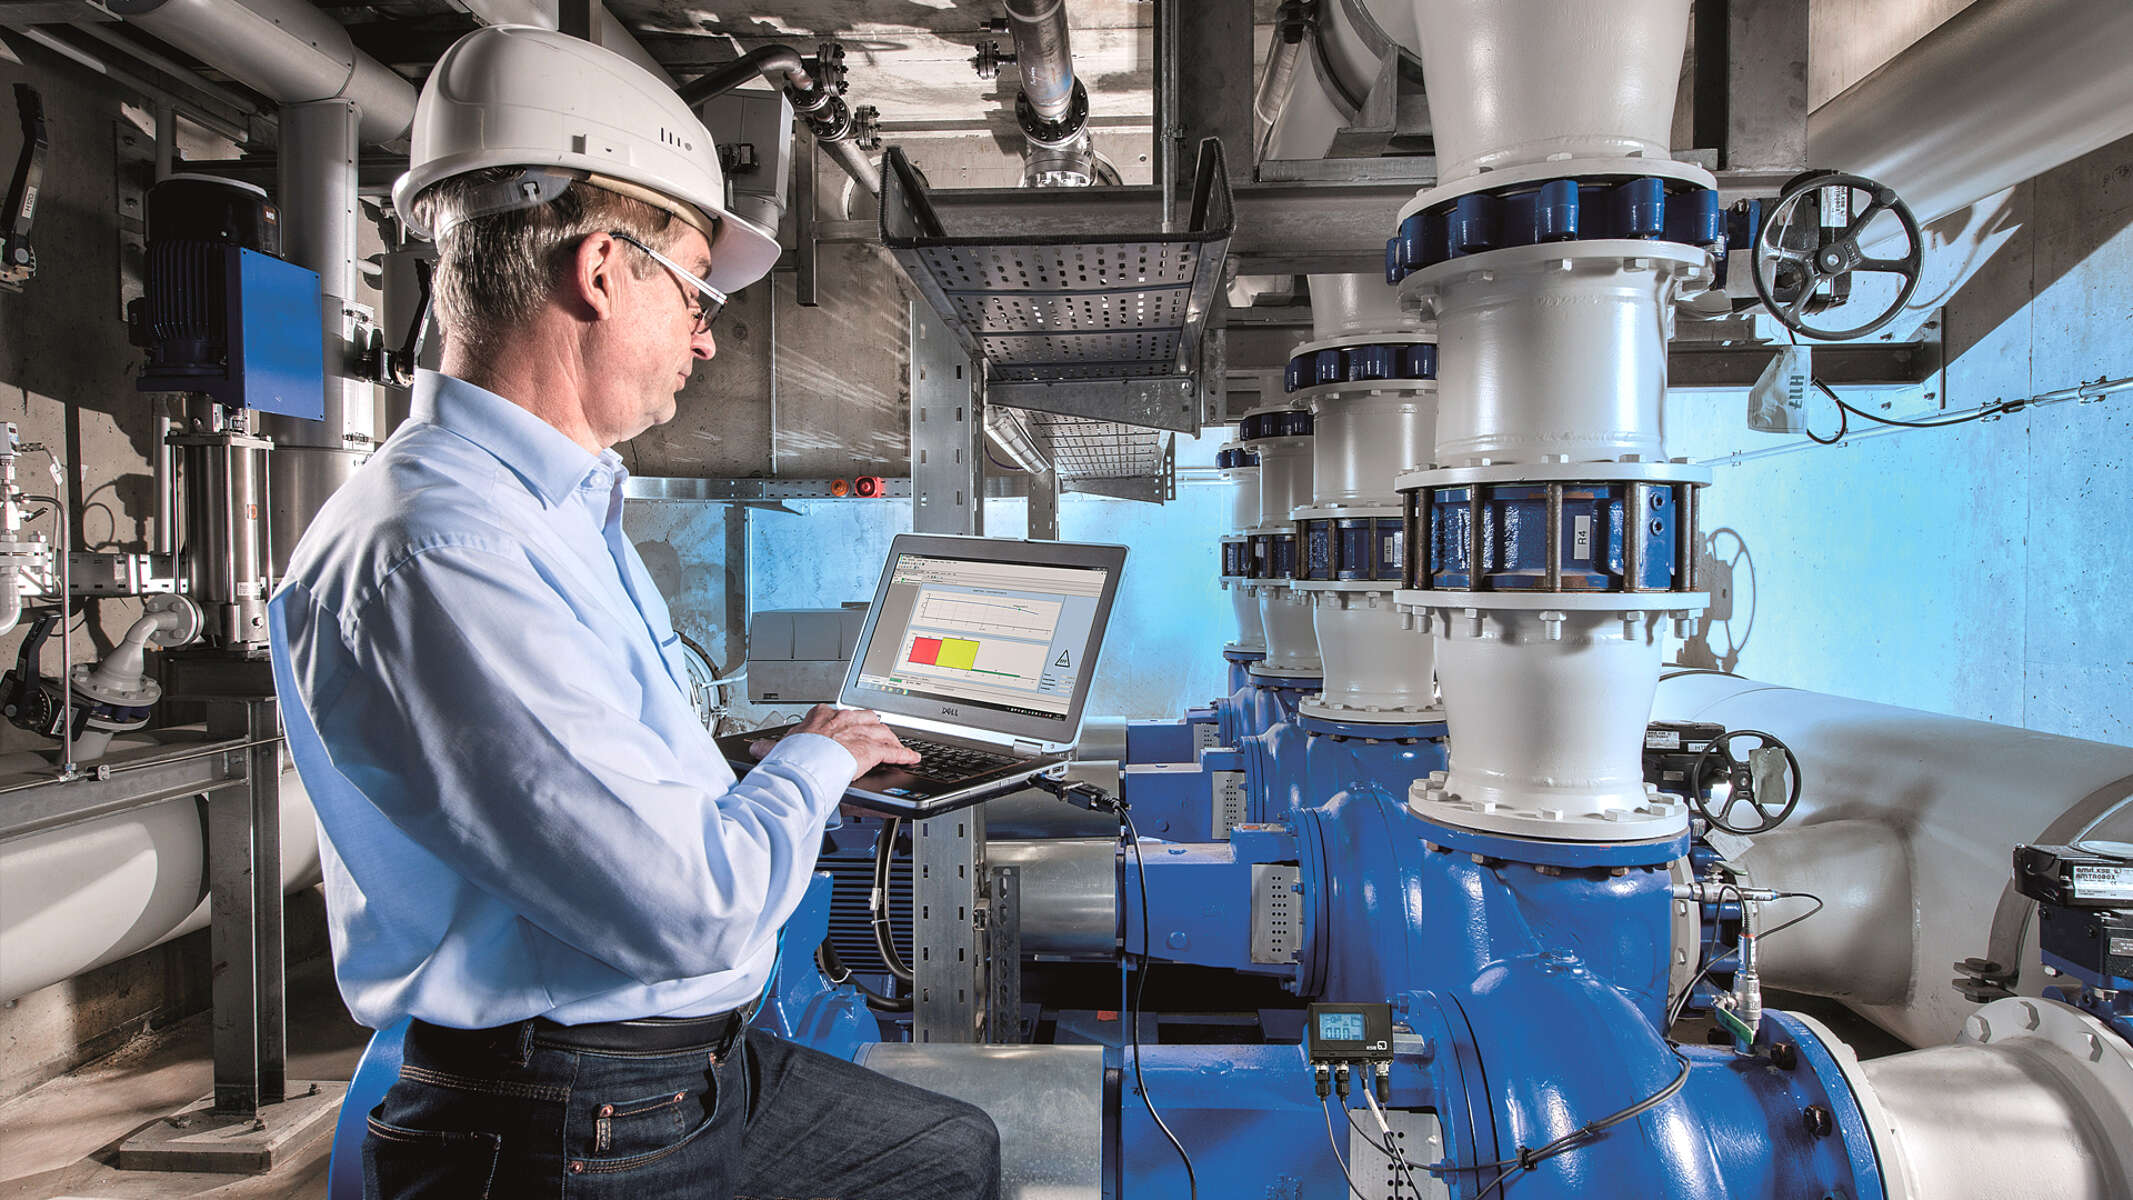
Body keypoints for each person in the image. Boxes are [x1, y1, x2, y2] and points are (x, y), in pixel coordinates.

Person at [268, 25, 1000, 1200]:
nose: (708, 337)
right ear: (602, 270)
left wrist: (754, 762)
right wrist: (810, 766)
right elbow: (693, 908)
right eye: (696, 290)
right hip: (563, 1117)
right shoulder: (440, 549)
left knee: (947, 1154)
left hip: (668, 1075)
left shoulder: (549, 509)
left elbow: (591, 767)